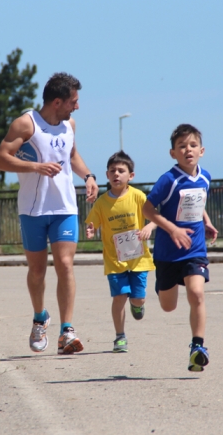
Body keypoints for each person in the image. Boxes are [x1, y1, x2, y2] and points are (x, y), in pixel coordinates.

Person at [0, 72, 98, 355]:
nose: (76, 107)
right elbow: (1, 160)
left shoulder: (69, 125)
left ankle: (67, 330)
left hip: (64, 207)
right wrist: (35, 167)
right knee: (37, 271)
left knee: (65, 264)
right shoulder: (26, 124)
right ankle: (40, 318)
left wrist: (88, 175)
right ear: (56, 101)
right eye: (73, 102)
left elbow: (72, 155)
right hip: (32, 210)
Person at [142, 124, 218, 372]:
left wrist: (206, 221)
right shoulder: (168, 180)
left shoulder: (205, 177)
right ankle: (161, 284)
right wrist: (172, 229)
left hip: (195, 248)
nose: (188, 150)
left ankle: (198, 347)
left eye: (193, 145)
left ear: (202, 150)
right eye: (182, 146)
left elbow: (199, 200)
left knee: (197, 294)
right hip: (167, 252)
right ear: (172, 153)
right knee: (168, 306)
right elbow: (147, 209)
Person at [85, 151, 156, 353]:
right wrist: (91, 229)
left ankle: (138, 304)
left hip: (139, 259)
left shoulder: (138, 196)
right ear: (107, 175)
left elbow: (155, 218)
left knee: (137, 298)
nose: (116, 174)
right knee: (119, 298)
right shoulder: (101, 202)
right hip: (115, 260)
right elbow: (92, 222)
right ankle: (120, 336)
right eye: (112, 171)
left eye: (121, 171)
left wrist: (149, 227)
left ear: (130, 176)